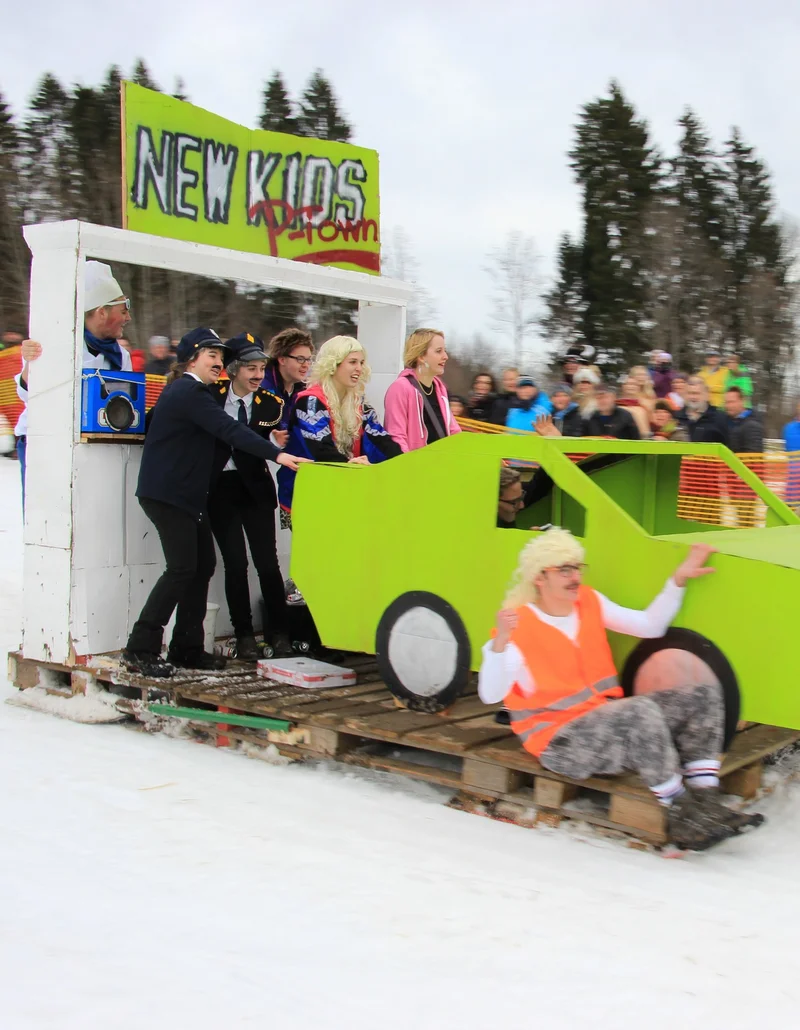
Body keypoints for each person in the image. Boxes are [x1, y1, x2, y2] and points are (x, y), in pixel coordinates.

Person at [478, 529, 764, 850]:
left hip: (605, 723)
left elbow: (649, 626)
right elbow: (490, 694)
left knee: (701, 693)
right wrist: (500, 642)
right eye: (564, 570)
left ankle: (706, 801)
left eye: (577, 567)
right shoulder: (519, 626)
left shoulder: (588, 601)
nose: (574, 577)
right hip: (560, 744)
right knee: (637, 710)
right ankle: (682, 813)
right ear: (539, 577)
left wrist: (678, 579)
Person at [122, 328, 307, 679]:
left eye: (221, 358)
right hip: (168, 494)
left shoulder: (192, 392)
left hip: (188, 496)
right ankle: (140, 648)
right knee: (181, 568)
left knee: (202, 565)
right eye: (212, 356)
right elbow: (228, 429)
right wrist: (277, 455)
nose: (219, 363)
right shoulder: (189, 390)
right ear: (192, 358)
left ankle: (186, 648)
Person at [207, 334, 292, 661]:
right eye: (251, 369)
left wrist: (273, 438)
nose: (258, 375)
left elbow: (264, 438)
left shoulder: (270, 403)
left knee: (267, 563)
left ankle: (280, 632)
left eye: (261, 368)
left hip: (255, 488)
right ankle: (243, 634)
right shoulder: (210, 396)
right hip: (221, 488)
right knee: (235, 563)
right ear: (233, 370)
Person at [278, 335, 402, 519]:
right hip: (307, 492)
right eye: (352, 362)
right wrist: (349, 465)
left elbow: (381, 440)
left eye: (361, 362)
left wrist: (403, 464)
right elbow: (320, 448)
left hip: (344, 487)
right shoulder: (310, 401)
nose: (359, 368)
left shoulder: (359, 403)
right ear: (333, 364)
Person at [383, 328, 460, 451]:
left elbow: (454, 432)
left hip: (441, 466)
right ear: (421, 356)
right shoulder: (400, 388)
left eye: (445, 351)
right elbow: (396, 436)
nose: (445, 356)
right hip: (414, 467)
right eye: (439, 351)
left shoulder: (441, 390)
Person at [82, 261, 133, 371]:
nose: (128, 318)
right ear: (102, 313)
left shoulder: (122, 357)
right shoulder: (64, 349)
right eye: (123, 312)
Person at [261, 327, 315, 429]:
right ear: (282, 360)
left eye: (308, 360)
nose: (306, 365)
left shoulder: (303, 390)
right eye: (300, 359)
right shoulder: (263, 388)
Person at [13, 338, 43, 508]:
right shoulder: (39, 344)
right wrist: (29, 361)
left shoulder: (121, 354)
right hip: (35, 434)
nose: (127, 318)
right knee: (35, 505)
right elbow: (25, 392)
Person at [678, 377, 729, 445]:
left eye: (697, 393)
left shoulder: (720, 418)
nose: (693, 397)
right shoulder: (677, 417)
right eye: (690, 393)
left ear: (707, 395)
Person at [724, 387, 763, 454]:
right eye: (726, 402)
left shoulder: (752, 426)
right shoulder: (726, 421)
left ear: (742, 401)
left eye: (732, 402)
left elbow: (753, 457)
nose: (728, 406)